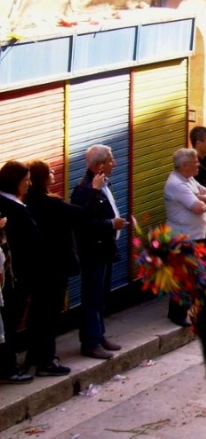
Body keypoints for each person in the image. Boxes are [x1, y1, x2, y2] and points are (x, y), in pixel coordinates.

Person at [24, 160, 101, 376]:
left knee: (37, 312)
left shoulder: (28, 202)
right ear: (41, 178)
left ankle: (34, 355)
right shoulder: (51, 204)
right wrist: (95, 190)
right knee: (49, 314)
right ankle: (46, 362)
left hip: (37, 266)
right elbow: (84, 215)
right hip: (55, 266)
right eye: (48, 170)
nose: (52, 171)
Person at [71, 145, 128, 360]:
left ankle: (99, 334)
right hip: (93, 251)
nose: (115, 163)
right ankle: (90, 342)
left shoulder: (103, 184)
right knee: (92, 296)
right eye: (111, 160)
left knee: (101, 295)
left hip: (105, 249)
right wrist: (111, 224)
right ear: (99, 165)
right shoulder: (84, 189)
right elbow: (84, 223)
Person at [164, 148, 206, 326]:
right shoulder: (177, 184)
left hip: (195, 235)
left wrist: (202, 197)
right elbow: (198, 208)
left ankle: (188, 309)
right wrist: (203, 200)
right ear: (185, 165)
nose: (198, 165)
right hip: (183, 237)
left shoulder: (189, 179)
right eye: (195, 162)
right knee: (183, 277)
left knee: (193, 275)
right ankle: (177, 314)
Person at [0, 161, 39, 382]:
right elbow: (32, 241)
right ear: (15, 182)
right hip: (16, 276)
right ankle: (8, 368)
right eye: (26, 180)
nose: (29, 184)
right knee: (10, 322)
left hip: (8, 275)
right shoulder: (16, 209)